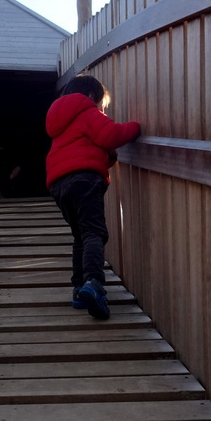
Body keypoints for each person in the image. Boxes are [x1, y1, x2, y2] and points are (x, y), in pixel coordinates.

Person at [45, 74, 141, 320]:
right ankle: (94, 284)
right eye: (101, 105)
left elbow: (87, 146)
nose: (101, 110)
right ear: (90, 96)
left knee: (80, 235)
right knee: (94, 233)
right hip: (84, 179)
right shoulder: (87, 112)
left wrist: (108, 158)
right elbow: (110, 135)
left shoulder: (61, 122)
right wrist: (136, 128)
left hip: (59, 184)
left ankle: (79, 289)